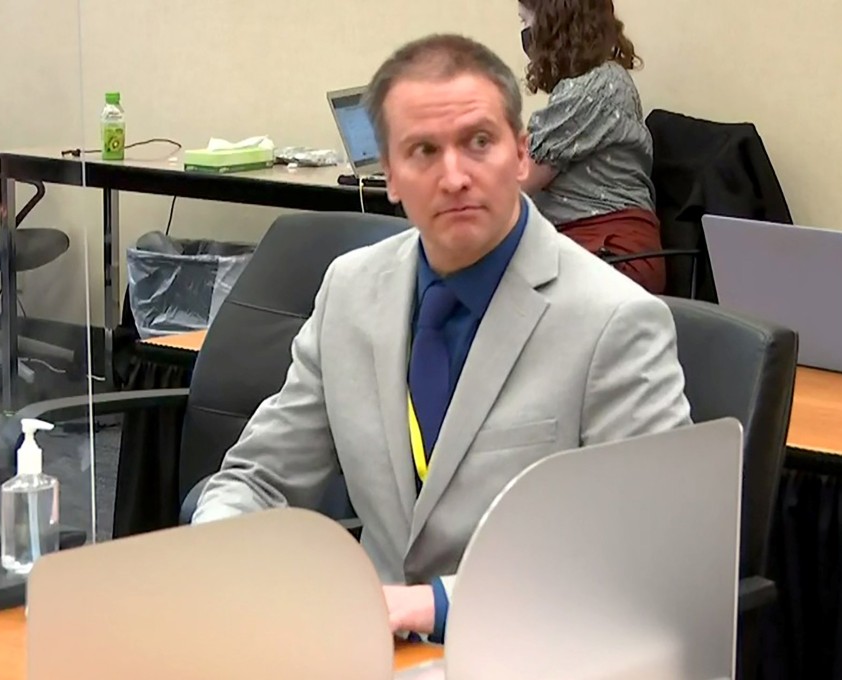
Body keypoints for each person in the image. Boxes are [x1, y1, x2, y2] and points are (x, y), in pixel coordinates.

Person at [193, 33, 691, 642]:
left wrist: (431, 607)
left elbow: (643, 553)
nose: (454, 176)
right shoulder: (350, 291)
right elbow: (259, 479)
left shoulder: (613, 321)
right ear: (391, 176)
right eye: (423, 151)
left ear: (520, 153)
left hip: (531, 651)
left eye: (478, 142)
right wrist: (218, 554)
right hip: (368, 650)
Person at [518, 0, 666, 293]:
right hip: (581, 251)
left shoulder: (596, 88)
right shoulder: (593, 83)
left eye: (526, 22)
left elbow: (519, 181)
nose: (525, 33)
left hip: (612, 255)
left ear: (553, 25)